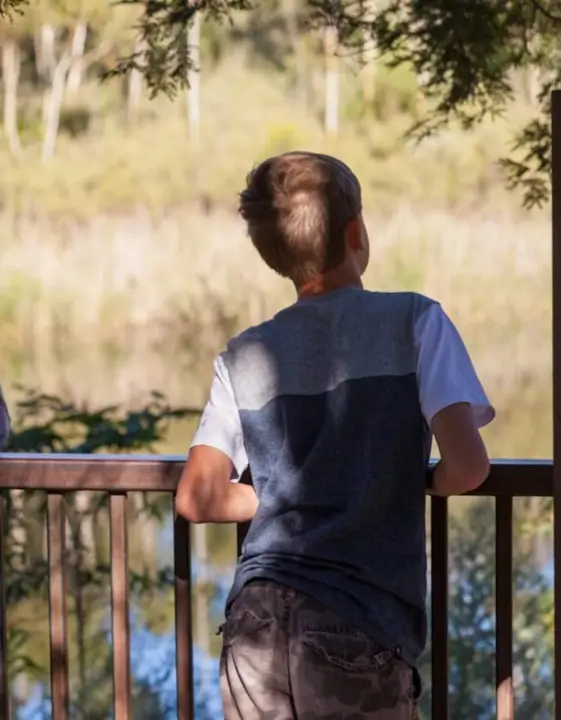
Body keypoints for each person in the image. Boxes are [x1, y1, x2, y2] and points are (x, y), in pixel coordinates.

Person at [174, 151, 495, 719]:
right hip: (357, 617)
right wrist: (399, 482)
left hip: (254, 620)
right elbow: (468, 466)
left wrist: (276, 494)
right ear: (356, 233)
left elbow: (196, 497)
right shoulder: (416, 322)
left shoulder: (245, 353)